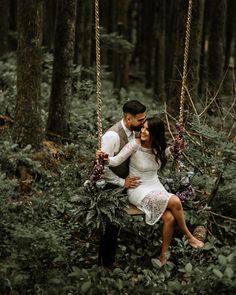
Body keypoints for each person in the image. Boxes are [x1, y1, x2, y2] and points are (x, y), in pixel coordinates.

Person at [98, 117, 204, 264]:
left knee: (170, 218)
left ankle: (163, 256)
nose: (143, 131)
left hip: (155, 184)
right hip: (138, 188)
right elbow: (116, 160)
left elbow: (170, 153)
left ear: (155, 133)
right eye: (143, 128)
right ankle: (189, 237)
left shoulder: (158, 148)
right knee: (175, 200)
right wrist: (105, 159)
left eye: (147, 129)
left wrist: (177, 147)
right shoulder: (134, 145)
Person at [98, 100, 147, 267]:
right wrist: (122, 182)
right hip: (109, 186)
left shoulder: (135, 131)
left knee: (116, 225)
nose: (143, 123)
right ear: (128, 118)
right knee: (110, 226)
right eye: (140, 120)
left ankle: (110, 259)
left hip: (124, 185)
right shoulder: (112, 136)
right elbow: (101, 167)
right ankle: (105, 264)